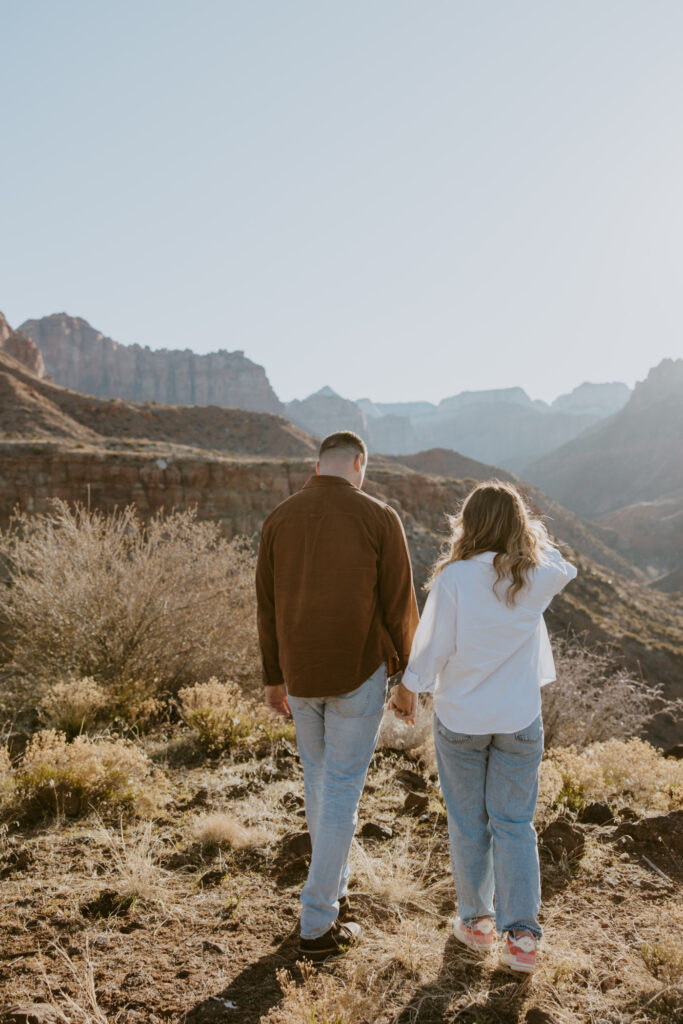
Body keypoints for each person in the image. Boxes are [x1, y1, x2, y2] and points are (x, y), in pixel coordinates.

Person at [389, 480, 577, 974]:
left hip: (462, 720)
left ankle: (476, 925)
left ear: (467, 524)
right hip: (518, 720)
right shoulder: (535, 575)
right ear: (519, 525)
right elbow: (566, 565)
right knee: (514, 824)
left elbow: (432, 649)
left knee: (469, 823)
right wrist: (529, 535)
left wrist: (409, 688)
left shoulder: (454, 578)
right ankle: (522, 941)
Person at [256, 430, 419, 960]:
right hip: (357, 672)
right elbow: (399, 604)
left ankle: (335, 893)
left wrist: (274, 677)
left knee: (321, 784)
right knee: (343, 792)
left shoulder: (279, 518)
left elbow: (266, 606)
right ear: (357, 463)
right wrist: (408, 679)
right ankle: (317, 923)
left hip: (301, 676)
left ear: (318, 463)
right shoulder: (379, 516)